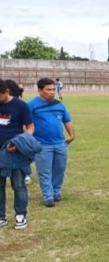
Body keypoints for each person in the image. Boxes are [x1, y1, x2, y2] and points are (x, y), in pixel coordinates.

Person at [27, 78, 76, 207]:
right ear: (39, 90)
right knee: (44, 171)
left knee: (59, 169)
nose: (52, 92)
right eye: (48, 90)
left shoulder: (59, 104)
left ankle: (56, 192)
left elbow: (67, 120)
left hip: (60, 143)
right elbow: (26, 124)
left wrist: (71, 135)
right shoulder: (31, 105)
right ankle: (48, 196)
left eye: (53, 89)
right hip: (42, 144)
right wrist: (31, 140)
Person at [0, 78, 35, 229]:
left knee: (19, 185)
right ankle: (1, 216)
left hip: (15, 152)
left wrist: (21, 143)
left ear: (6, 92)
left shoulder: (20, 105)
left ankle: (20, 215)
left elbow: (30, 127)